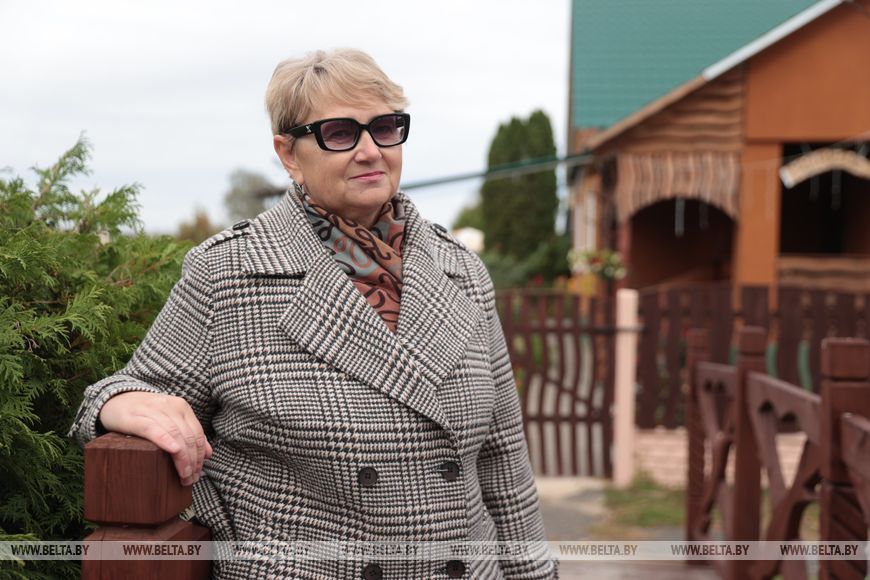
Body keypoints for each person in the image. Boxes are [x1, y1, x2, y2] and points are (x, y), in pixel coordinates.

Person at [69, 48, 558, 579]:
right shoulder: (228, 273)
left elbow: (503, 459)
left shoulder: (461, 270)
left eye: (385, 128)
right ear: (289, 154)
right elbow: (127, 392)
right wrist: (119, 401)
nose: (371, 151)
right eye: (340, 133)